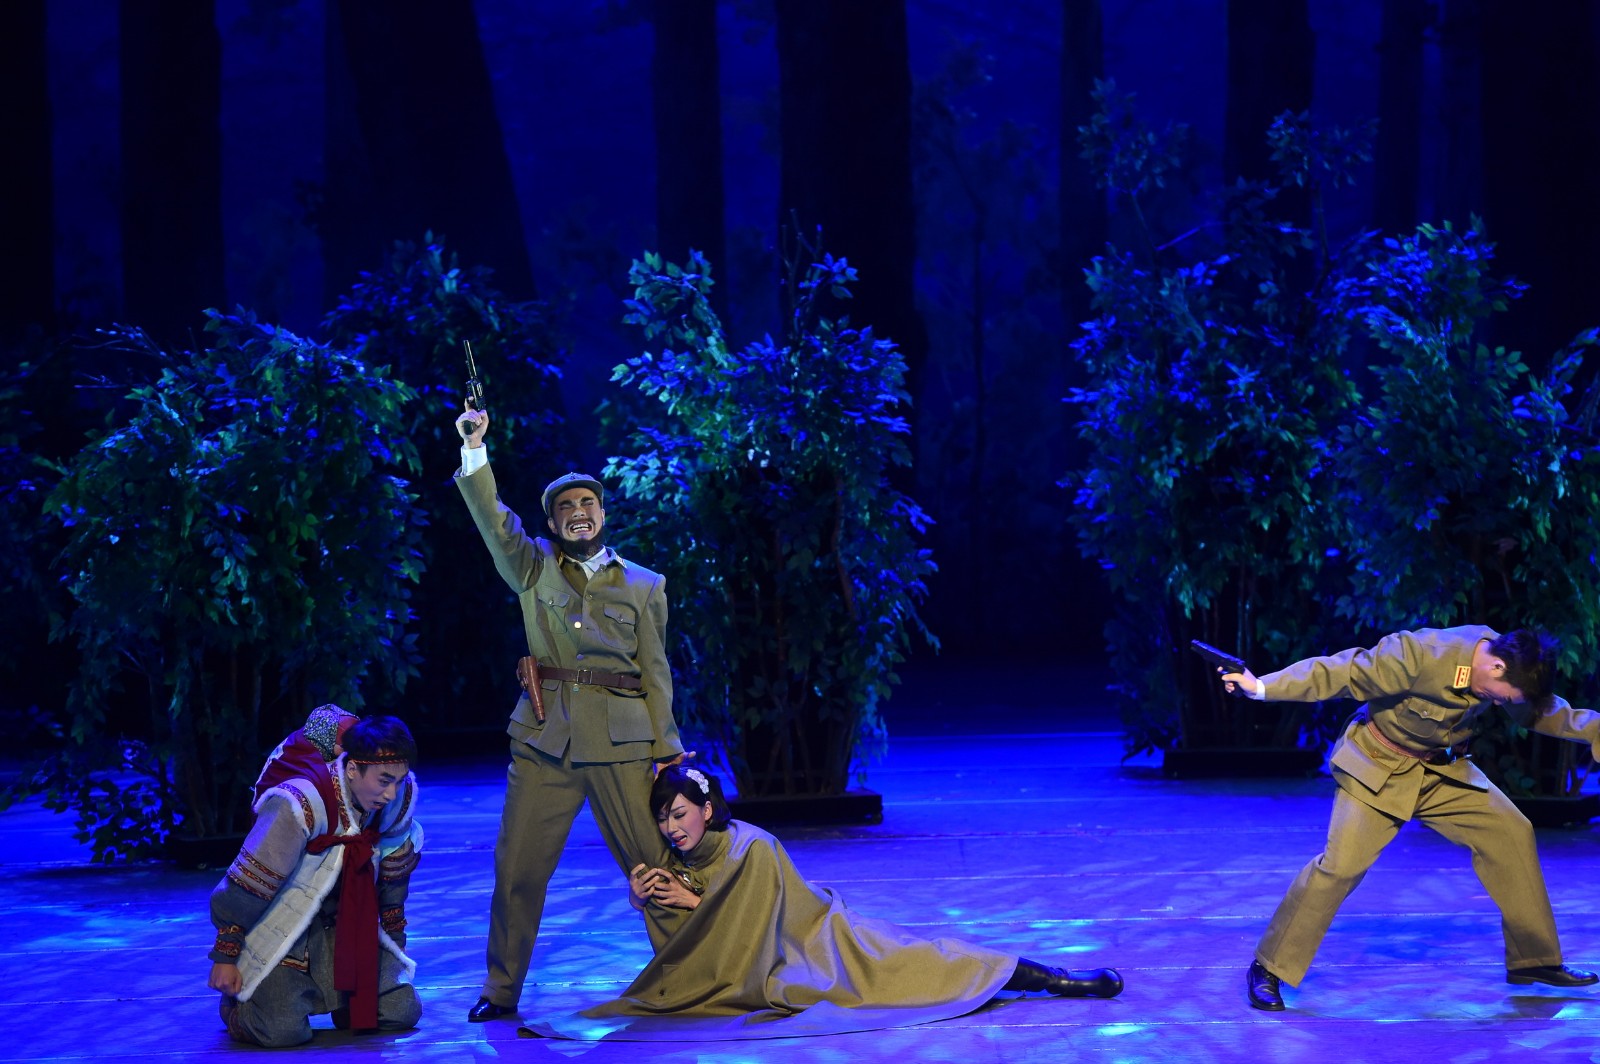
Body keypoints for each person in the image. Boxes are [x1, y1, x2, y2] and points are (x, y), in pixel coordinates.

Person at [522, 766, 1123, 1041]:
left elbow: (753, 921)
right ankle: (1043, 979)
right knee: (927, 973)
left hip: (827, 943)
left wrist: (693, 899)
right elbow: (697, 943)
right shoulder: (679, 861)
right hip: (789, 967)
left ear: (706, 809)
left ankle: (1056, 978)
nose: (671, 828)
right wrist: (644, 899)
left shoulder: (753, 846)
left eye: (679, 814)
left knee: (935, 961)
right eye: (663, 819)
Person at [1217, 626, 1600, 1011]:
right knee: (1341, 867)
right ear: (1496, 666)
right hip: (1376, 767)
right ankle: (1268, 967)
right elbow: (1342, 671)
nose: (1501, 704)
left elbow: (1537, 710)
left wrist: (1596, 729)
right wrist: (1261, 687)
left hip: (1441, 771)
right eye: (1502, 696)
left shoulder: (1508, 669)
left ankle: (1536, 959)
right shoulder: (1420, 653)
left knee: (1512, 831)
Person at [454, 403, 690, 1022]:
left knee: (655, 865)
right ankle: (500, 989)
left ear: (603, 514)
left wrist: (667, 748)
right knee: (517, 869)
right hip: (546, 741)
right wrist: (475, 448)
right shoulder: (532, 567)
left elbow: (656, 671)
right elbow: (493, 520)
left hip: (624, 743)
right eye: (566, 507)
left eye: (588, 503)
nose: (578, 512)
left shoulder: (645, 584)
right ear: (553, 521)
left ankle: (691, 976)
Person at [207, 715, 423, 1047]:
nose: (391, 793)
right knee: (282, 1031)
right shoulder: (299, 803)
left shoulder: (395, 803)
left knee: (401, 1009)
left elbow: (394, 879)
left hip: (349, 928)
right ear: (353, 769)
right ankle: (238, 1008)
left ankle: (347, 1006)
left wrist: (395, 941)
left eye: (399, 780)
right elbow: (249, 883)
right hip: (288, 929)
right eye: (383, 781)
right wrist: (226, 956)